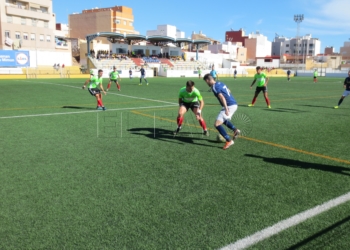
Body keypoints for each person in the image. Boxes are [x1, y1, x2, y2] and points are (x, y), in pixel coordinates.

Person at [203, 74, 240, 150]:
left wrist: (226, 109)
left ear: (207, 80)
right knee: (222, 120)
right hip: (234, 104)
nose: (207, 84)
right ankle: (235, 130)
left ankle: (229, 141)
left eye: (206, 82)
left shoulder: (214, 87)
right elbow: (229, 90)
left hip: (229, 106)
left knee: (217, 124)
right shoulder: (220, 83)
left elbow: (221, 97)